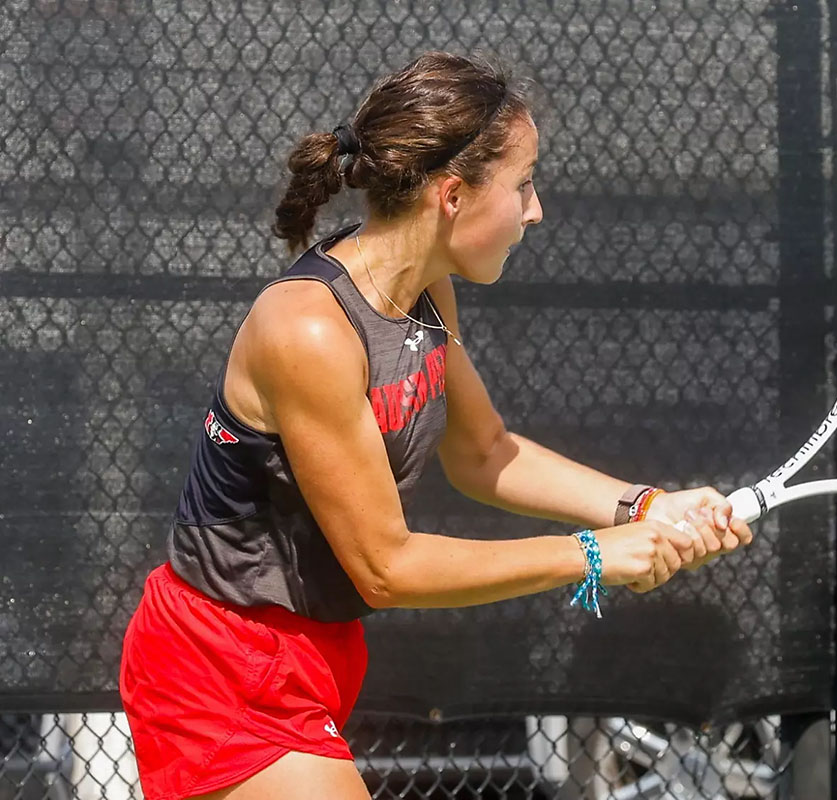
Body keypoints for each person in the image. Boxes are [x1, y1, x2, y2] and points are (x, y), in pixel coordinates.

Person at [118, 51, 753, 800]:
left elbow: (484, 452)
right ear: (453, 196)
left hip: (316, 655)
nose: (536, 209)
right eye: (523, 185)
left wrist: (644, 506)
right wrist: (590, 554)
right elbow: (385, 567)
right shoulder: (310, 331)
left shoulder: (425, 294)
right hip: (218, 667)